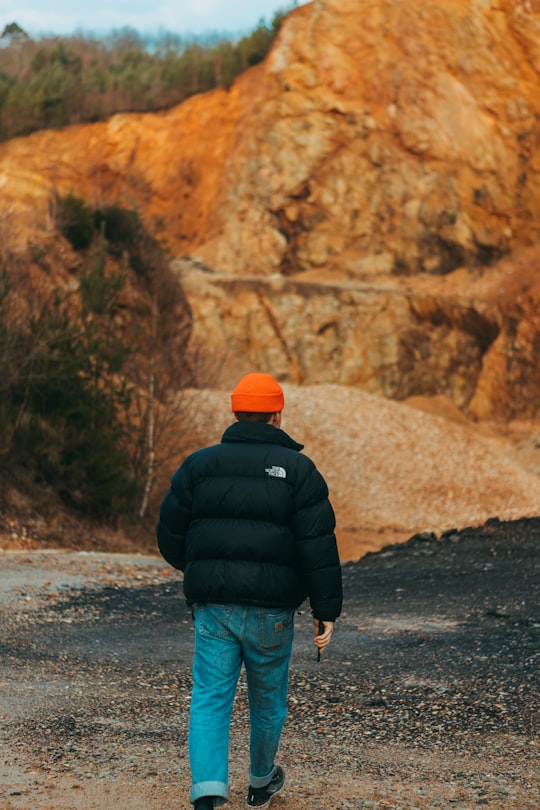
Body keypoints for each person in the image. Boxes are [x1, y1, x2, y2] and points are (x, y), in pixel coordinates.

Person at [156, 372, 343, 810]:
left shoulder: (199, 465)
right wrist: (325, 607)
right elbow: (318, 545)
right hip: (272, 611)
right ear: (278, 414)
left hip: (214, 607)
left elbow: (169, 534)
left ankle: (207, 793)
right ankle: (260, 782)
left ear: (234, 412)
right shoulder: (300, 470)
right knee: (268, 698)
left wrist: (204, 570)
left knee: (210, 697)